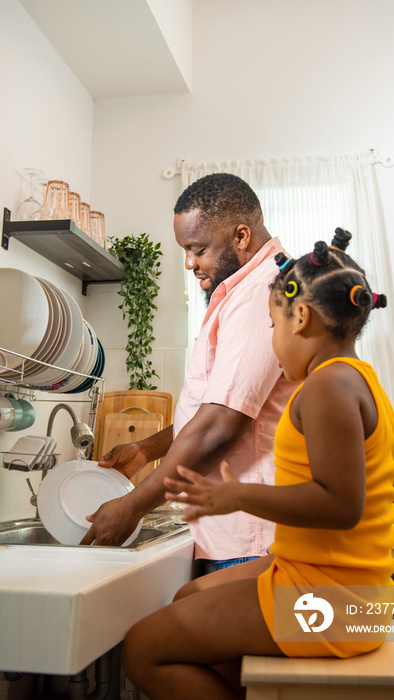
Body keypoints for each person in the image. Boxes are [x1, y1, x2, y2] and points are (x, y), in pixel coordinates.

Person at [121, 231, 394, 700]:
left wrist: (238, 496)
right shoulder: (362, 382)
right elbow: (392, 492)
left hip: (331, 599)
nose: (273, 344)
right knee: (188, 597)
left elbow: (341, 506)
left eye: (273, 327)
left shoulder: (325, 389)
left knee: (143, 648)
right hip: (336, 583)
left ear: (300, 317)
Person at [82, 173, 297, 574]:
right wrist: (146, 450)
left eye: (197, 249)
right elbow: (212, 407)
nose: (188, 262)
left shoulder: (260, 293)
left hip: (248, 536)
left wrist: (132, 506)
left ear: (241, 236)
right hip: (227, 530)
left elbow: (220, 426)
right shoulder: (239, 290)